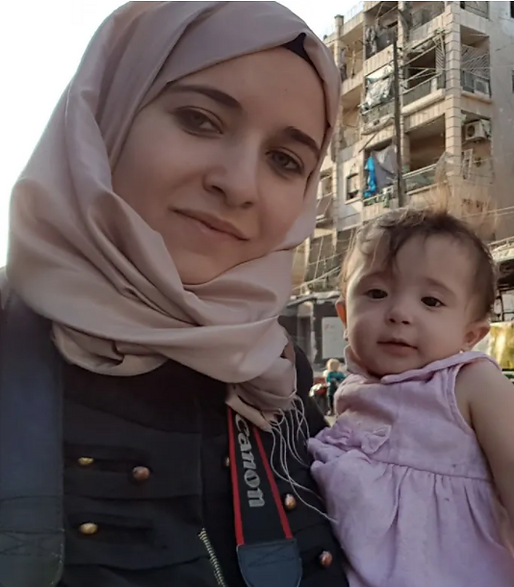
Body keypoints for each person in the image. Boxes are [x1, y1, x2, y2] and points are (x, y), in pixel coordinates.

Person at [0, 3, 349, 587]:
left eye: (285, 161)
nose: (238, 184)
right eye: (200, 119)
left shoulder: (275, 373)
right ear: (106, 117)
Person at [309, 209, 514, 587]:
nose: (399, 313)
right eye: (376, 293)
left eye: (431, 302)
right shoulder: (353, 392)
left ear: (470, 334)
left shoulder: (470, 383)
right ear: (343, 313)